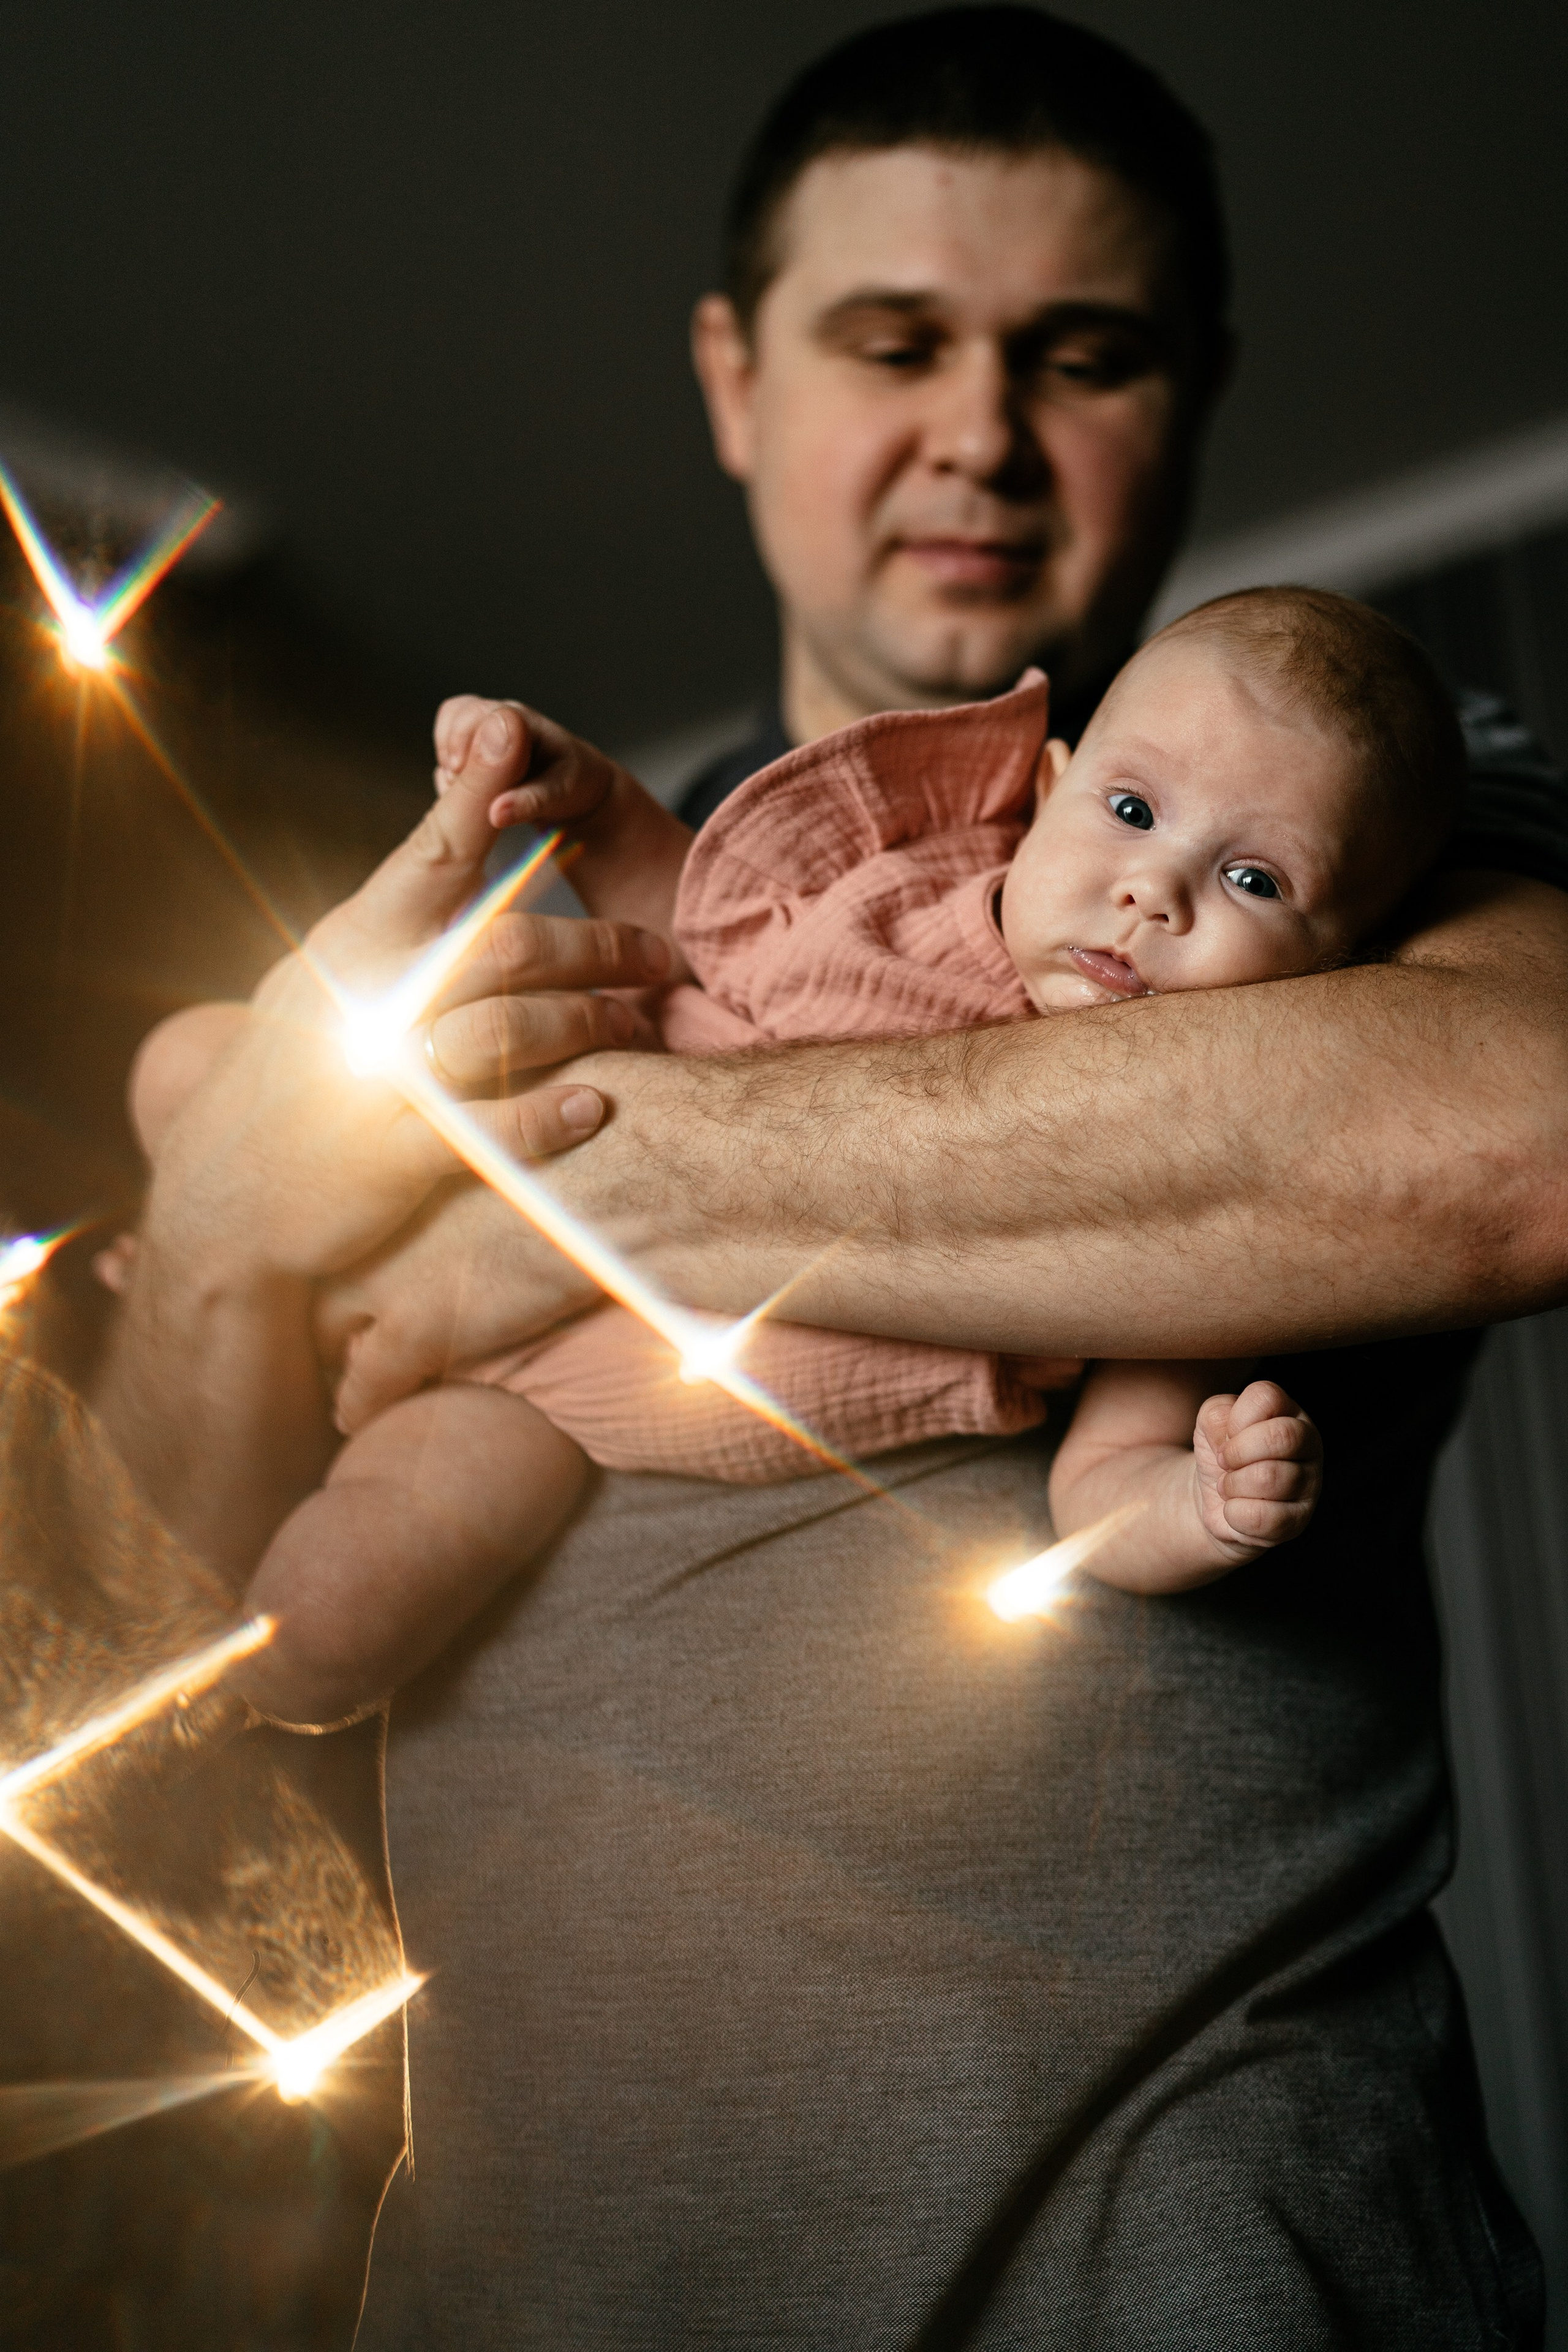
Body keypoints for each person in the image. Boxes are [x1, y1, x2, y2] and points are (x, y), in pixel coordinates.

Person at [94, 10, 1568, 2343]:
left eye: (1081, 352)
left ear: (1193, 390)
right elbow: (167, 1678)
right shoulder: (571, 913)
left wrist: (554, 1191)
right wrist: (218, 1240)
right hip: (538, 2281)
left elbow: (1526, 1129)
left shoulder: (1387, 787)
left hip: (1177, 2253)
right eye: (895, 342)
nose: (979, 431)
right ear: (735, 377)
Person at [124, 584, 1465, 1728]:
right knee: (188, 1063)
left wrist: (1201, 1507)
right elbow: (702, 924)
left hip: (546, 1411)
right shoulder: (905, 889)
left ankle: (185, 1684)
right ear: (1047, 788)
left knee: (324, 1631)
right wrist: (588, 802)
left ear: (1335, 971)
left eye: (1253, 881)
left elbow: (1097, 1488)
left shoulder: (1175, 1193)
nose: (1152, 890)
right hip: (491, 1144)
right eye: (1129, 808)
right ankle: (201, 1288)